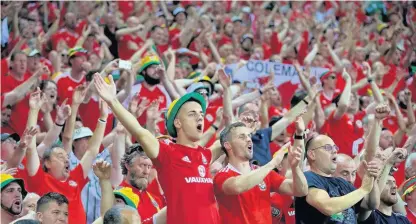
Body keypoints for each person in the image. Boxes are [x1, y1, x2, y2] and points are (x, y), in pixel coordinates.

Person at [94, 73, 222, 223]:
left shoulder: (204, 155)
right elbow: (138, 131)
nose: (200, 117)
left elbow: (226, 141)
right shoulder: (167, 151)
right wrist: (112, 101)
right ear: (178, 123)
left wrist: (244, 128)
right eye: (192, 114)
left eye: (201, 114)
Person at [24, 88, 107, 224]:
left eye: (67, 157)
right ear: (47, 163)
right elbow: (31, 147)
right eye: (60, 157)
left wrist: (103, 117)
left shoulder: (75, 178)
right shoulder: (39, 180)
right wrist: (34, 110)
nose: (67, 159)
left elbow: (92, 150)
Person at [214, 121, 307, 223]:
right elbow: (238, 186)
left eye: (249, 136)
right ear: (228, 145)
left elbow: (300, 190)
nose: (249, 139)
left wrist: (295, 168)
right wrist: (272, 163)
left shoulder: (263, 172)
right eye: (242, 137)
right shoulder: (221, 176)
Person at [295, 134, 380, 223]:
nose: (335, 151)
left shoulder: (341, 183)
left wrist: (372, 179)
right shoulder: (307, 177)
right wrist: (363, 189)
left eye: (335, 147)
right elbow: (327, 207)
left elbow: (371, 204)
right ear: (312, 154)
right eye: (328, 148)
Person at [118, 144, 165, 220]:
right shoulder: (119, 196)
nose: (146, 172)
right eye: (142, 165)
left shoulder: (155, 199)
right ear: (128, 165)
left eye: (149, 167)